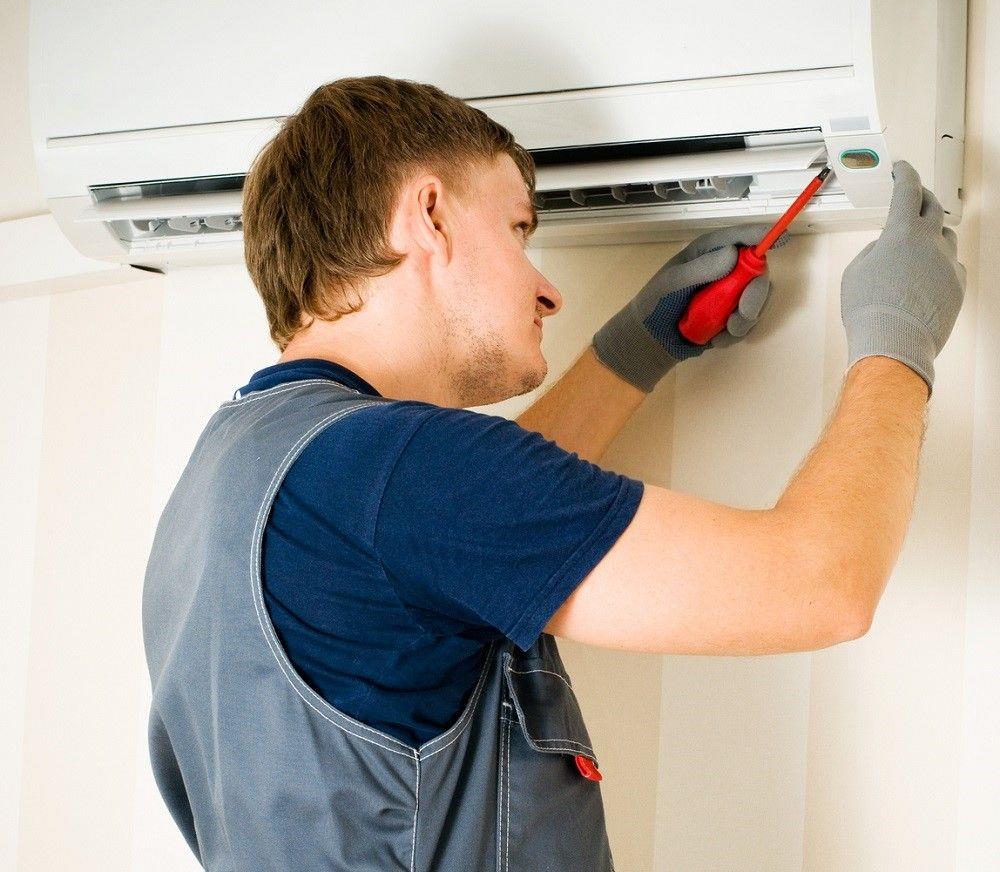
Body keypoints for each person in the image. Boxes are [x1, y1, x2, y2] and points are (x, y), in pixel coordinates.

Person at [141, 76, 966, 871]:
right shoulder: (398, 471)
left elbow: (446, 547)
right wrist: (897, 336)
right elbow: (821, 582)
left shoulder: (235, 469)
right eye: (517, 230)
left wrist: (633, 352)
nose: (547, 293)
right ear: (429, 215)